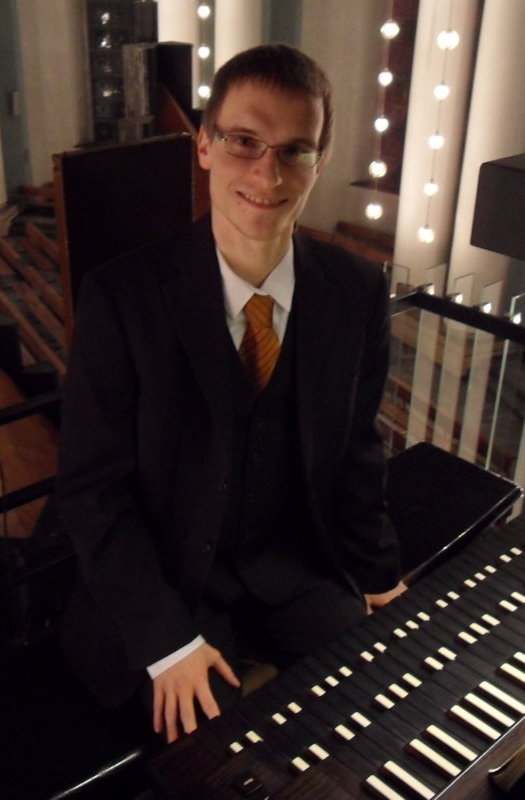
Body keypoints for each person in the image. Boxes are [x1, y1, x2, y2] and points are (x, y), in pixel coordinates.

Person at [57, 43, 406, 745]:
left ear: (319, 162)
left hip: (292, 568)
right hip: (169, 584)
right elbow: (93, 493)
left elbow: (356, 453)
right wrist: (167, 643)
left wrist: (378, 576)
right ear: (204, 146)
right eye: (245, 141)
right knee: (215, 748)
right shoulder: (120, 296)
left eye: (295, 150)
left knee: (378, 698)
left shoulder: (357, 290)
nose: (267, 173)